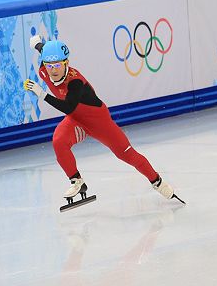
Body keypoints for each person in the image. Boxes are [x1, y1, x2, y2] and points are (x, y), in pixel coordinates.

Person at [23, 36, 183, 204]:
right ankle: (77, 181)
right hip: (77, 120)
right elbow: (43, 49)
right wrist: (36, 43)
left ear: (66, 63)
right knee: (58, 141)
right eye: (49, 66)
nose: (53, 70)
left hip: (99, 122)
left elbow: (68, 107)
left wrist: (42, 94)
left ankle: (157, 182)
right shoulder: (45, 66)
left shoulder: (75, 82)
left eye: (57, 65)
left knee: (128, 155)